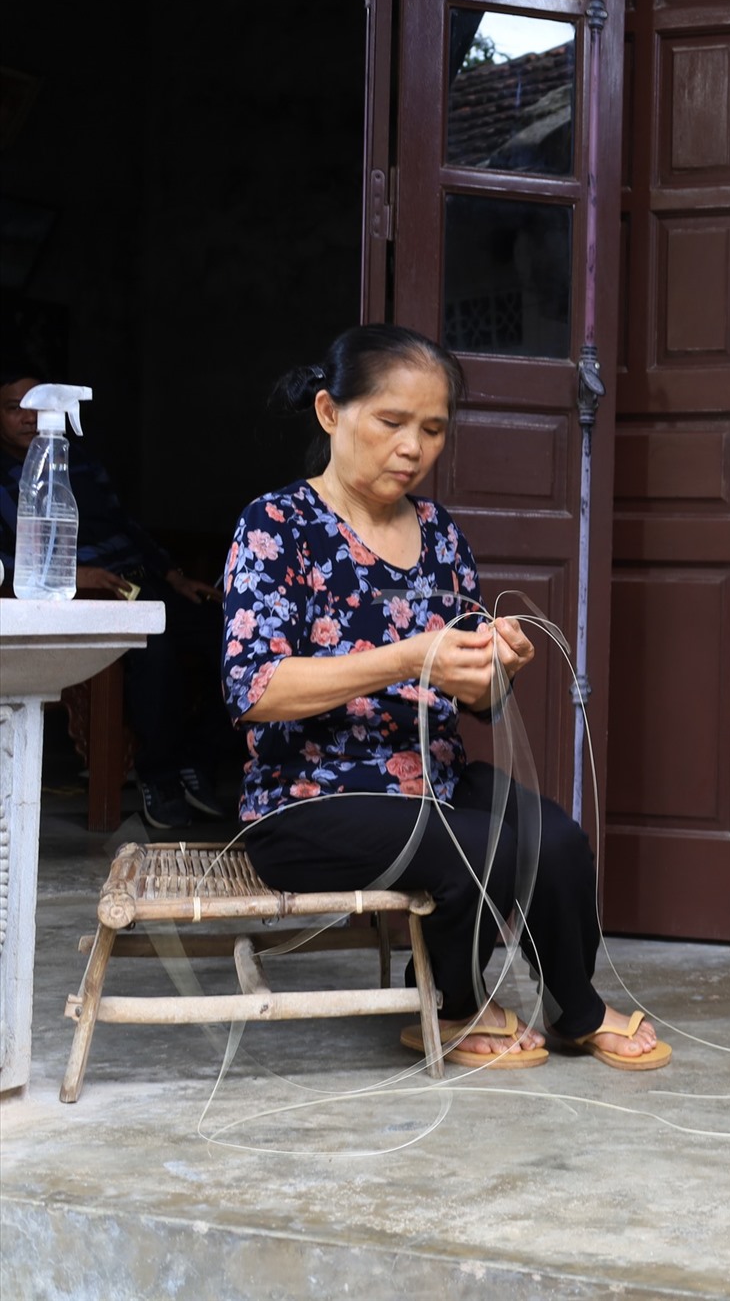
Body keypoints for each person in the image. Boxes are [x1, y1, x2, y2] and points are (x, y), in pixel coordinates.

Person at [224, 324, 666, 1071]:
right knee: (468, 849)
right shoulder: (276, 527)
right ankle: (452, 1002)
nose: (413, 447)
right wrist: (408, 656)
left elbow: (474, 697)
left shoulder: (440, 534)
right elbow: (257, 688)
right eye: (391, 422)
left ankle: (573, 1007)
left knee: (556, 841)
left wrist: (497, 666)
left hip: (434, 779)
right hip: (307, 799)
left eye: (432, 429)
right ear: (331, 413)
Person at [0, 361, 230, 829]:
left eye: (35, 407)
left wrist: (173, 574)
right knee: (154, 644)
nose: (27, 418)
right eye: (12, 408)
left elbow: (126, 524)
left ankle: (196, 760)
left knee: (235, 640)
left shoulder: (78, 460)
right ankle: (160, 776)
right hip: (81, 590)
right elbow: (7, 555)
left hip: (142, 580)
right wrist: (77, 574)